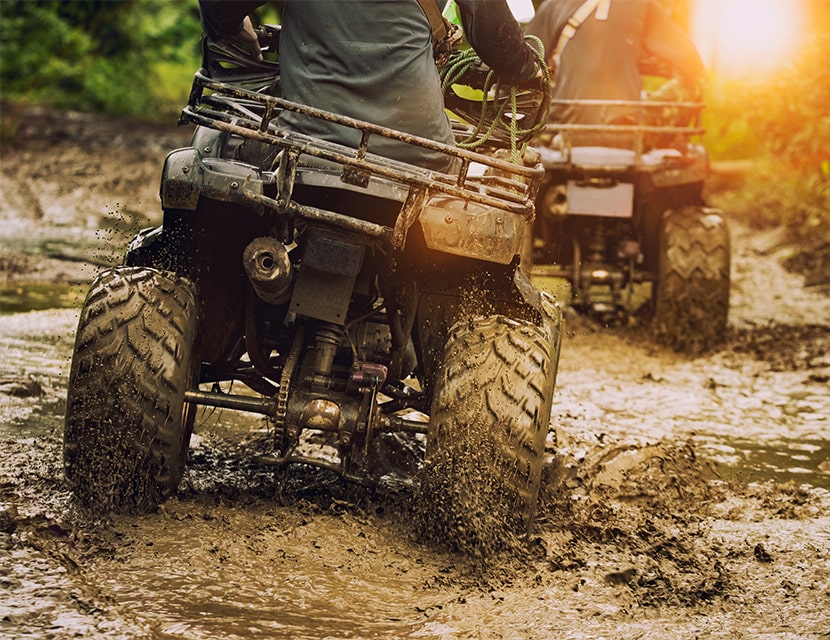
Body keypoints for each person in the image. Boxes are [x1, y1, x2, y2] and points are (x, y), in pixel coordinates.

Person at [198, 0, 540, 170]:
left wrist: (232, 25)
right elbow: (496, 41)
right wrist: (529, 69)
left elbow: (218, 5)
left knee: (211, 147)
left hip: (308, 145)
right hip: (421, 153)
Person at [525, 0, 705, 145]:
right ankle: (676, 143)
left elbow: (527, 65)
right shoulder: (642, 5)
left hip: (561, 128)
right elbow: (689, 60)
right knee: (691, 83)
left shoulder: (553, 4)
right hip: (625, 131)